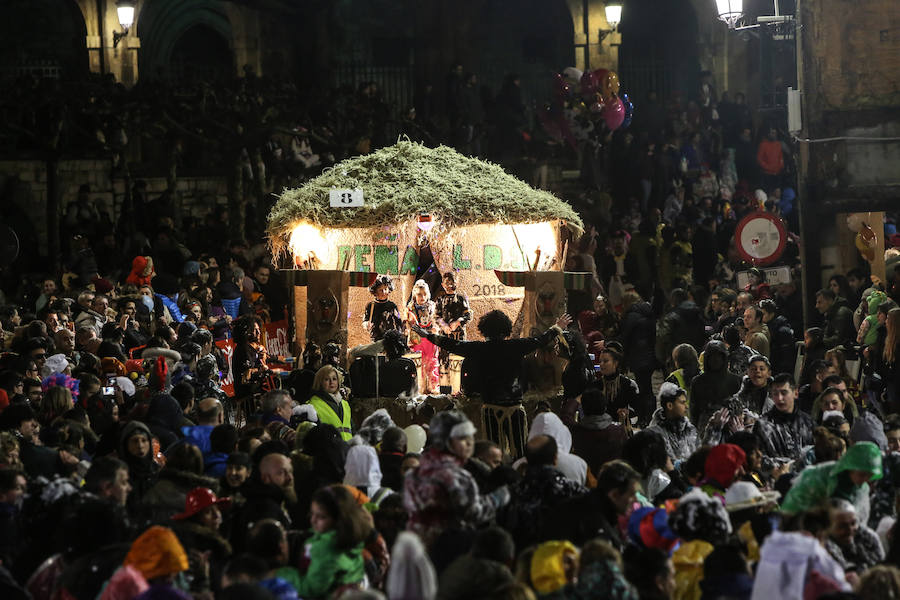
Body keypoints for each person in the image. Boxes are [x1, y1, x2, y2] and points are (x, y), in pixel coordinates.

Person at [412, 312, 571, 457]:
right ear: (506, 329)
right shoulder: (516, 346)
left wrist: (427, 336)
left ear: (484, 330)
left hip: (491, 408)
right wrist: (557, 327)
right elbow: (540, 340)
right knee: (519, 450)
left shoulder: (479, 348)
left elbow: (452, 344)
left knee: (494, 450)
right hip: (515, 409)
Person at [404, 411, 510, 565]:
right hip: (447, 549)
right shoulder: (456, 476)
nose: (469, 444)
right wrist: (498, 498)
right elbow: (473, 512)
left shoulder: (421, 467)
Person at [503, 434, 586, 548]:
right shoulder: (573, 490)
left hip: (525, 559)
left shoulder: (512, 492)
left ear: (527, 459)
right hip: (564, 557)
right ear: (555, 458)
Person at [541, 460, 641, 550]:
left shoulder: (580, 503)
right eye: (631, 494)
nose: (635, 500)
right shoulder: (598, 532)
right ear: (614, 495)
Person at [781, 441, 883, 523]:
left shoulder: (862, 489)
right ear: (850, 468)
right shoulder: (818, 476)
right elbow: (793, 509)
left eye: (869, 476)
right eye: (862, 475)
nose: (866, 480)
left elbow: (859, 520)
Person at [752, 373, 814, 464]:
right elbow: (758, 458)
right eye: (775, 394)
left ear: (795, 393)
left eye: (784, 393)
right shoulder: (763, 425)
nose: (779, 398)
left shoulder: (808, 423)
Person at [648, 383, 699, 463]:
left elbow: (699, 455)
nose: (686, 406)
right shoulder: (655, 433)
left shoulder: (689, 429)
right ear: (670, 405)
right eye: (682, 402)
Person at [406, 279, 439, 394]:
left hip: (429, 338)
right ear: (415, 294)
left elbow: (437, 320)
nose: (422, 297)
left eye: (425, 294)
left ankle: (432, 385)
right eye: (419, 294)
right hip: (417, 339)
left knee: (432, 362)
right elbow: (409, 323)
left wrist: (436, 327)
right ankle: (419, 387)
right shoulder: (410, 308)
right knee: (418, 363)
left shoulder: (432, 306)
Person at [306, 366, 352, 442]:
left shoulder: (345, 404)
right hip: (328, 450)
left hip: (347, 448)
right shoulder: (312, 404)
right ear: (320, 382)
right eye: (327, 379)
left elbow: (351, 428)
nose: (331, 382)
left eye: (334, 379)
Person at [363, 275, 403, 343]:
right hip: (376, 338)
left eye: (385, 289)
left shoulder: (392, 306)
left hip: (390, 339)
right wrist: (366, 324)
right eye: (380, 290)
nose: (384, 292)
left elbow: (398, 321)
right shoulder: (370, 306)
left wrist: (399, 335)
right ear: (375, 291)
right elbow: (365, 320)